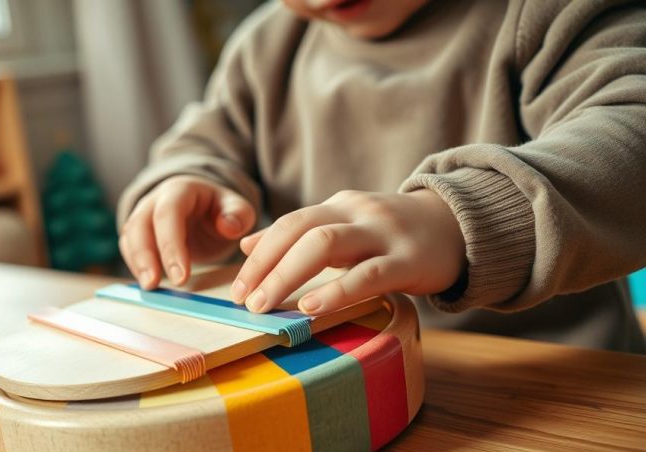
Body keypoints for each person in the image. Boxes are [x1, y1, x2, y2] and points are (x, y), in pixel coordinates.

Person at [117, 0, 646, 352]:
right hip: (337, 381)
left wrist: (465, 219)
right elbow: (203, 142)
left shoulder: (543, 12)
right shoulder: (265, 45)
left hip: (556, 395)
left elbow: (632, 123)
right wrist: (186, 183)